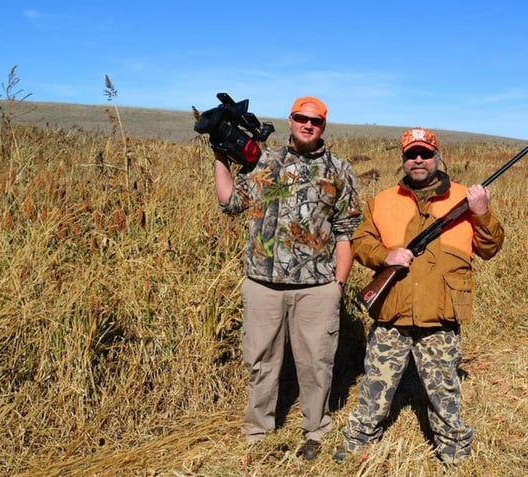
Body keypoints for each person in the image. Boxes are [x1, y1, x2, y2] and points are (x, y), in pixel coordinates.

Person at [335, 127, 505, 465]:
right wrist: (387, 256)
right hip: (392, 314)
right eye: (412, 154)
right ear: (403, 159)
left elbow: (491, 247)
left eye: (425, 153)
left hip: (439, 315)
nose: (418, 160)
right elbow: (360, 242)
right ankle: (358, 442)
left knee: (444, 392)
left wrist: (482, 210)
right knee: (375, 387)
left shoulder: (466, 199)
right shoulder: (382, 200)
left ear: (437, 156)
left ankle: (454, 451)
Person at [212, 96, 361, 460]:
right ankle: (257, 432)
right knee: (261, 360)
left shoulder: (339, 170)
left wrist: (336, 286)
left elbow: (346, 232)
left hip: (317, 288)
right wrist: (218, 153)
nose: (308, 125)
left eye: (316, 121)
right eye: (301, 118)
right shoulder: (265, 161)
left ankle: (316, 430)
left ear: (323, 126)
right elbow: (230, 203)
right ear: (290, 120)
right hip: (263, 284)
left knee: (316, 362)